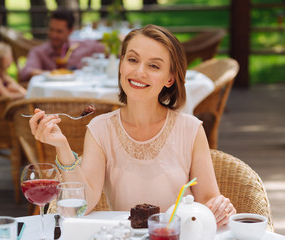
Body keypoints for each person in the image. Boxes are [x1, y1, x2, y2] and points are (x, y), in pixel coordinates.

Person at [29, 24, 236, 226]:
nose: (139, 71)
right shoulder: (100, 129)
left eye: (154, 66)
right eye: (132, 59)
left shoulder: (190, 129)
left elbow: (209, 202)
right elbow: (84, 203)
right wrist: (62, 147)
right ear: (121, 65)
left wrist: (220, 209)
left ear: (170, 79)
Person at [19, 9, 105, 82]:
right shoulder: (39, 52)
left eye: (59, 31)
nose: (53, 35)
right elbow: (26, 72)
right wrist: (55, 75)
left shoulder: (84, 46)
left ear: (70, 31)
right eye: (51, 30)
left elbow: (111, 52)